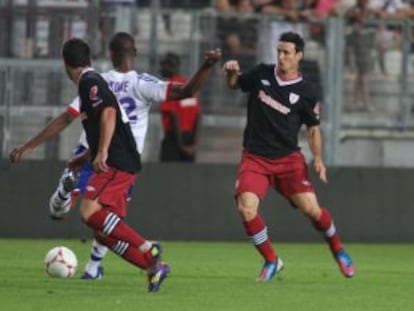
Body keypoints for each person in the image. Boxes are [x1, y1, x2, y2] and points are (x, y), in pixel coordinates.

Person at [9, 34, 221, 288]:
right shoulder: (141, 83)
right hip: (113, 155)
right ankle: (153, 267)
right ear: (135, 52)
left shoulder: (95, 81)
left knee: (89, 215)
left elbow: (96, 114)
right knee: (105, 229)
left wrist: (99, 152)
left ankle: (141, 249)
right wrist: (207, 66)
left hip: (112, 158)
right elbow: (186, 90)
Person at [222, 31, 355, 281]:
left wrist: (317, 158)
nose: (281, 57)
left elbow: (313, 128)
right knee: (246, 209)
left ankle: (338, 249)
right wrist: (231, 71)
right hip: (255, 158)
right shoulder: (262, 73)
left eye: (286, 53)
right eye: (279, 51)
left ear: (299, 56)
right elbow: (234, 84)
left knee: (313, 211)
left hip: (288, 161)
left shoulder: (307, 91)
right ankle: (272, 260)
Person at [159, 52, 201, 162]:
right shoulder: (189, 85)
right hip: (190, 140)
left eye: (163, 65)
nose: (161, 69)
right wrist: (194, 144)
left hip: (174, 139)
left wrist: (181, 145)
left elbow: (174, 116)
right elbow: (198, 115)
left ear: (170, 66)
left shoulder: (169, 86)